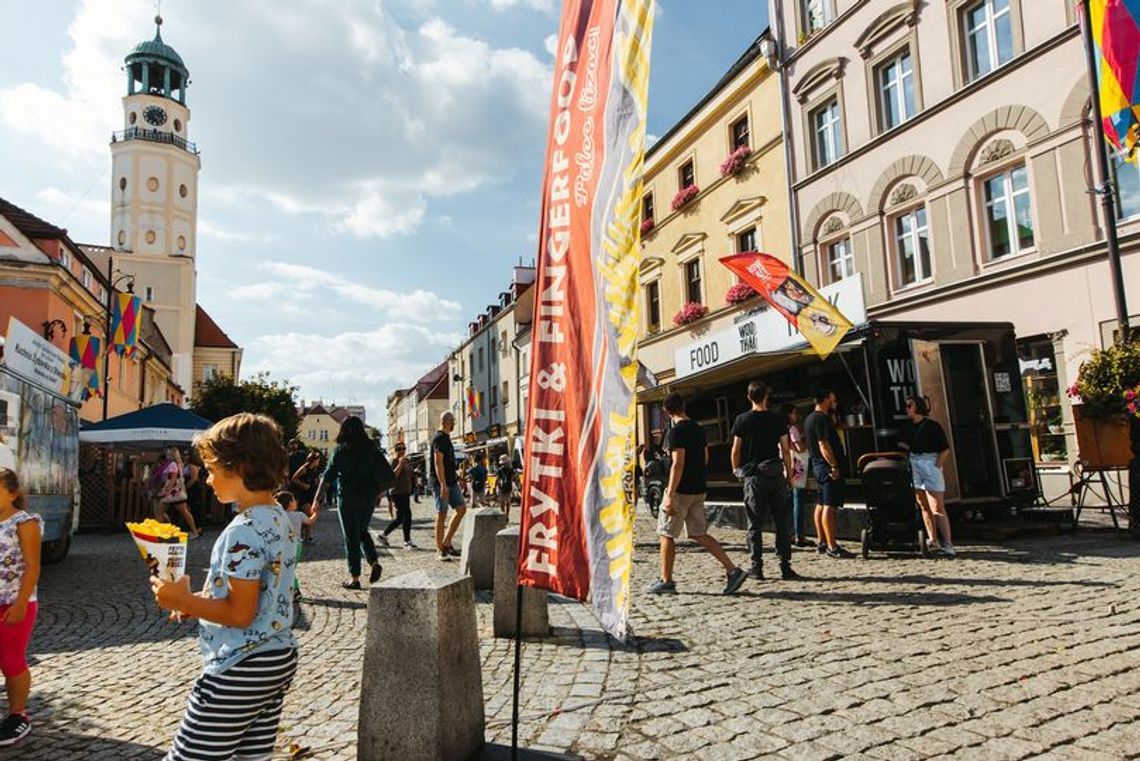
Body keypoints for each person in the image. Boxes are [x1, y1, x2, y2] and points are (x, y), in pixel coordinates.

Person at [151, 413, 299, 761]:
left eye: (213, 469)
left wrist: (180, 597)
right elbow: (259, 597)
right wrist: (197, 602)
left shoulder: (242, 530)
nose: (206, 478)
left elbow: (240, 613)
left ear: (241, 468)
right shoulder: (278, 517)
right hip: (277, 656)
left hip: (240, 664)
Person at [647, 394, 748, 596]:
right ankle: (733, 570)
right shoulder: (698, 429)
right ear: (683, 406)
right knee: (698, 533)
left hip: (681, 491)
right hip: (698, 489)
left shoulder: (676, 433)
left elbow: (678, 463)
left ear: (667, 412)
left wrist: (669, 493)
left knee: (666, 533)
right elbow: (705, 457)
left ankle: (666, 580)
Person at [731, 381, 799, 580]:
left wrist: (737, 470)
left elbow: (735, 450)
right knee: (782, 522)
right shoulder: (777, 419)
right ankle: (785, 566)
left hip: (754, 477)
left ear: (749, 397)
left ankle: (757, 566)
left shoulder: (742, 420)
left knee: (754, 523)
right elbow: (785, 449)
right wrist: (789, 474)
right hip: (776, 474)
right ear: (766, 397)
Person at [314, 417, 384, 589]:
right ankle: (374, 562)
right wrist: (378, 493)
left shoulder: (340, 450)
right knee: (362, 530)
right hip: (367, 497)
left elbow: (328, 477)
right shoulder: (371, 448)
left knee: (351, 537)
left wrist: (317, 498)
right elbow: (384, 473)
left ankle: (355, 578)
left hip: (348, 498)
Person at [0, 468, 42, 746]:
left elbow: (33, 565)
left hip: (13, 601)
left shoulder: (24, 522)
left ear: (13, 493)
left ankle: (18, 716)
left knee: (10, 660)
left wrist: (20, 603)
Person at [902, 396, 955, 557]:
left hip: (929, 461)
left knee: (937, 505)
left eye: (909, 405)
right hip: (915, 460)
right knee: (923, 504)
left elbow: (945, 448)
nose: (906, 409)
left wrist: (937, 465)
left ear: (917, 407)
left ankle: (948, 542)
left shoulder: (932, 426)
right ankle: (933, 539)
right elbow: (903, 443)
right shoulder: (907, 427)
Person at [804, 390, 853, 558]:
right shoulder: (821, 418)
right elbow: (823, 444)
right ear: (825, 400)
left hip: (817, 466)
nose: (835, 403)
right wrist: (833, 465)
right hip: (826, 466)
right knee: (829, 506)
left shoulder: (809, 418)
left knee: (821, 503)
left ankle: (822, 542)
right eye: (833, 400)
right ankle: (832, 546)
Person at [430, 412, 466, 561]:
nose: (454, 423)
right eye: (453, 421)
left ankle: (446, 542)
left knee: (461, 509)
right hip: (441, 483)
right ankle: (440, 549)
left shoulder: (447, 439)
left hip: (452, 481)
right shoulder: (439, 438)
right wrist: (443, 485)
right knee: (442, 514)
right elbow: (438, 463)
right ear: (447, 422)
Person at [276, 490, 319, 602]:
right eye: (294, 499)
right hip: (296, 545)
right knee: (290, 568)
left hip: (283, 545)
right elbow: (310, 522)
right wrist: (316, 513)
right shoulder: (299, 515)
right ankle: (294, 590)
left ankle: (291, 590)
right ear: (290, 503)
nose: (296, 502)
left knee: (285, 568)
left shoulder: (278, 515)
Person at [782, 403, 813, 548]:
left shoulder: (781, 429)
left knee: (788, 502)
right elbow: (799, 447)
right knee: (798, 499)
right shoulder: (793, 429)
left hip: (786, 466)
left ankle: (789, 533)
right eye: (794, 413)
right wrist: (807, 440)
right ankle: (799, 534)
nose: (796, 416)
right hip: (798, 465)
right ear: (789, 414)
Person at [378, 442, 416, 549]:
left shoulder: (407, 461)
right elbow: (393, 476)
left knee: (400, 518)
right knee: (407, 516)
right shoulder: (394, 461)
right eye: (399, 449)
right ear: (395, 451)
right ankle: (407, 541)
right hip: (397, 492)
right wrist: (400, 464)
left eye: (404, 448)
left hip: (405, 491)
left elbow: (410, 474)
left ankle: (383, 535)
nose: (402, 451)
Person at [159, 448, 202, 539]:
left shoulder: (173, 465)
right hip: (178, 492)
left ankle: (167, 531)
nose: (167, 455)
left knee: (160, 511)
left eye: (168, 453)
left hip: (173, 493)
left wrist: (165, 490)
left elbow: (172, 479)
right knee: (184, 513)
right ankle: (193, 531)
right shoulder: (179, 464)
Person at [290, 451, 321, 543]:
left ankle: (302, 535)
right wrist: (303, 485)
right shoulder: (304, 468)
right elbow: (293, 478)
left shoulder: (314, 470)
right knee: (309, 516)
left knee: (307, 517)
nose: (319, 461)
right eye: (318, 459)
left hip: (311, 495)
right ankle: (307, 538)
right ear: (313, 460)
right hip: (303, 495)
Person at [183, 449, 205, 532]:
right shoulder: (186, 465)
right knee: (189, 507)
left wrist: (185, 487)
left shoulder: (192, 465)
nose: (185, 457)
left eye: (187, 455)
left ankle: (198, 527)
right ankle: (192, 526)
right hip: (189, 488)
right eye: (184, 455)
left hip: (193, 488)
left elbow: (194, 479)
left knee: (195, 508)